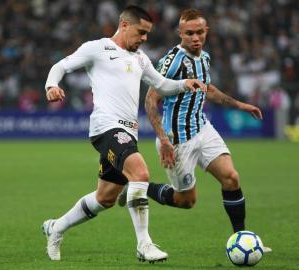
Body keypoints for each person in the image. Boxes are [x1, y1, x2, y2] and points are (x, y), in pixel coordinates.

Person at [42, 5, 206, 263]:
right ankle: (144, 245)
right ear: (125, 25)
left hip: (128, 132)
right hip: (106, 127)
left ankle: (55, 228)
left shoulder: (140, 58)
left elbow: (161, 85)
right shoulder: (97, 49)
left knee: (105, 198)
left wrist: (184, 84)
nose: (144, 38)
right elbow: (60, 66)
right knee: (140, 173)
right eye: (141, 32)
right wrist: (52, 85)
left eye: (147, 34)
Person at [117, 9, 271, 252]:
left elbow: (207, 89)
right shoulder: (172, 60)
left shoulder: (205, 58)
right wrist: (164, 141)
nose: (195, 37)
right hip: (177, 141)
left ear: (206, 31)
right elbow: (150, 101)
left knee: (231, 178)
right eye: (189, 33)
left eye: (200, 32)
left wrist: (240, 105)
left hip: (203, 128)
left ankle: (242, 239)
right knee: (186, 201)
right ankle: (137, 189)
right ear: (180, 34)